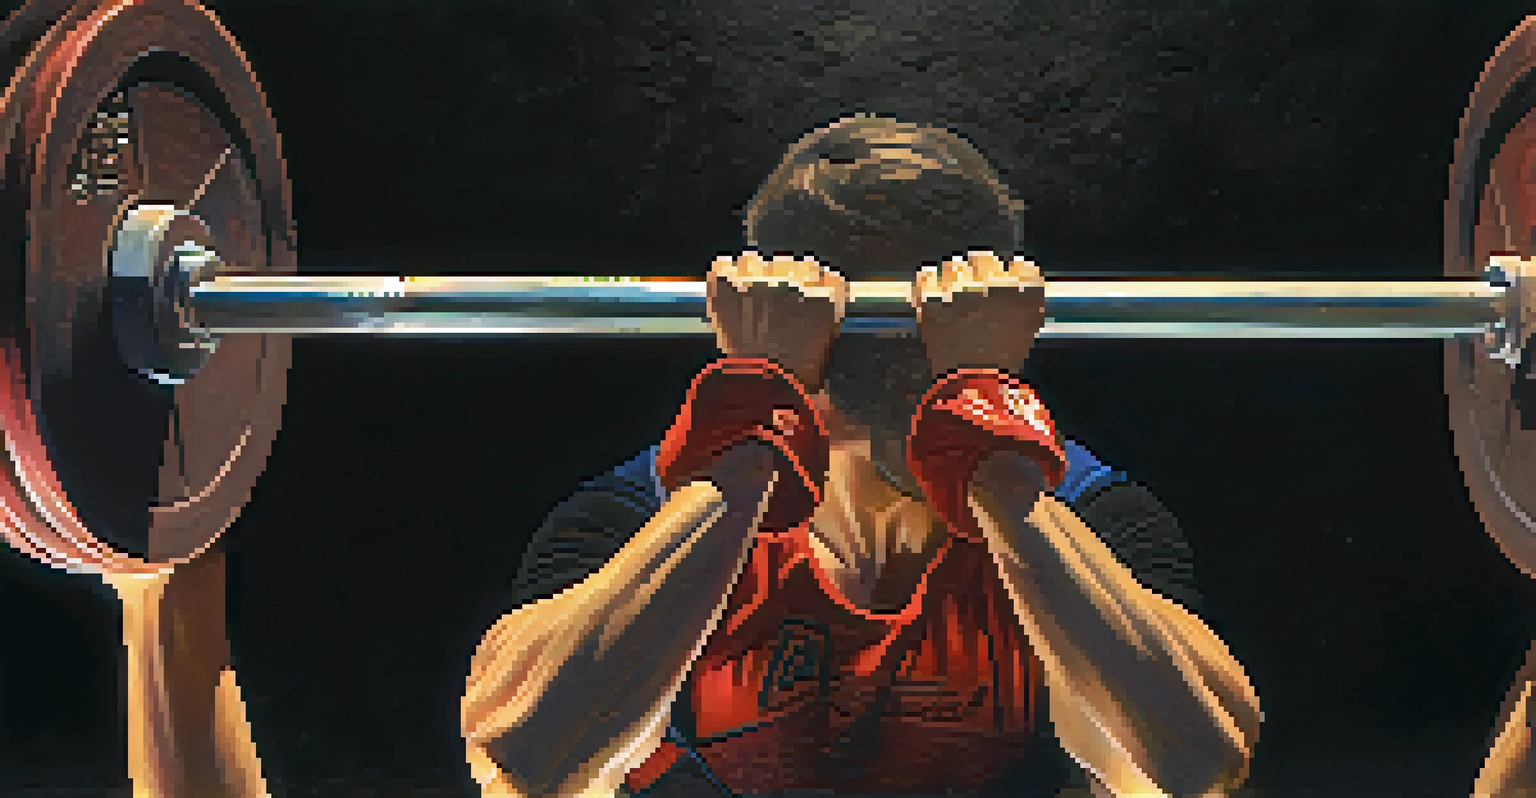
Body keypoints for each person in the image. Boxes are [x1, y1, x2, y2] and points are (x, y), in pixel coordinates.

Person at [461, 115, 1261, 797]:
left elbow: (1191, 768)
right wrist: (749, 444)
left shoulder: (1081, 512)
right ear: (798, 334)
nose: (891, 361)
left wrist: (992, 463)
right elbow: (529, 761)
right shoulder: (645, 513)